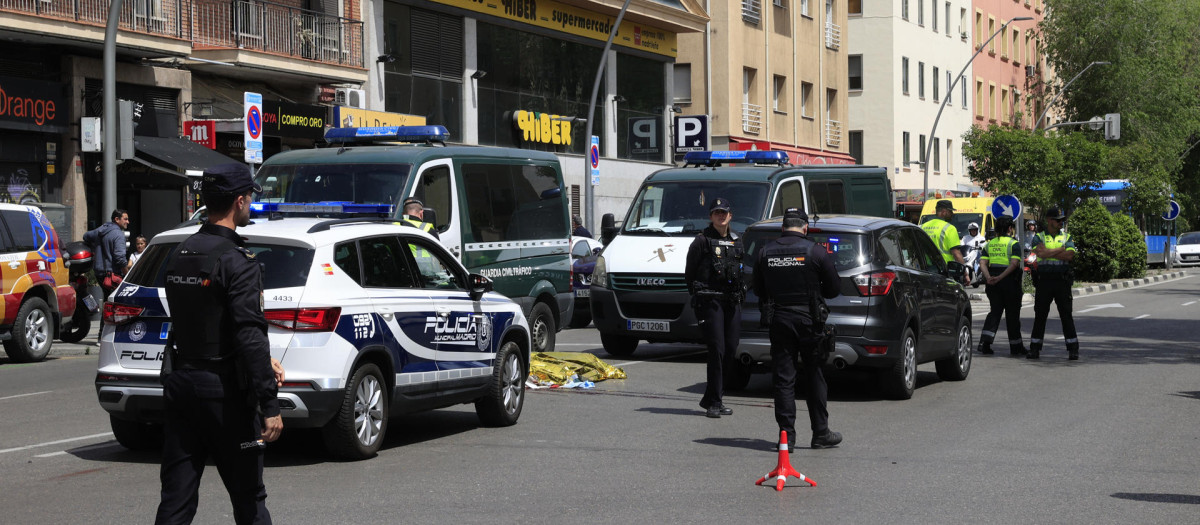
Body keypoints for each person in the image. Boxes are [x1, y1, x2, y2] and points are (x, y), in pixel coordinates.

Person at [156, 163, 285, 525]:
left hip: (182, 386)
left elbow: (200, 319)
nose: (249, 208)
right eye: (249, 201)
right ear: (240, 201)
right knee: (249, 500)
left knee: (176, 500)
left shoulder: (180, 251)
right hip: (225, 395)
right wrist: (269, 404)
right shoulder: (238, 261)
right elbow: (248, 334)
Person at [755, 208, 842, 451]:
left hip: (780, 319)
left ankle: (786, 438)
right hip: (810, 320)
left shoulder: (765, 252)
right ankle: (821, 433)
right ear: (805, 227)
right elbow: (834, 289)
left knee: (784, 379)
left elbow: (759, 289)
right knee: (814, 374)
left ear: (782, 227)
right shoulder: (815, 251)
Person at [684, 197, 744, 418]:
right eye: (717, 212)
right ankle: (714, 402)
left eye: (724, 212)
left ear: (730, 215)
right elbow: (689, 274)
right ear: (711, 216)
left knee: (730, 349)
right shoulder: (701, 241)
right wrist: (698, 295)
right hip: (710, 301)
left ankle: (712, 396)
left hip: (732, 301)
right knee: (716, 349)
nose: (721, 216)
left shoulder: (738, 239)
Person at [1028, 207, 1078, 360]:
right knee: (1040, 315)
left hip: (1062, 281)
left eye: (1062, 220)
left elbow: (1069, 255)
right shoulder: (1039, 237)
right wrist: (1059, 250)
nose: (1060, 223)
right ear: (1049, 220)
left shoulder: (1067, 236)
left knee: (1066, 315)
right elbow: (1040, 253)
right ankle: (1035, 349)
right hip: (1044, 281)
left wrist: (1051, 251)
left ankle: (1073, 349)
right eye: (1057, 220)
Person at [977, 219, 1028, 356]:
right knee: (1012, 315)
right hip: (1009, 281)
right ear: (1010, 229)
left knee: (994, 313)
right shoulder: (1014, 244)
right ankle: (1016, 347)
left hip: (992, 283)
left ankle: (984, 344)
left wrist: (988, 278)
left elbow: (982, 263)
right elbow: (1014, 264)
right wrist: (1000, 278)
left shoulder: (989, 244)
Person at [83, 208, 130, 298]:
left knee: (107, 298)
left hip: (99, 273)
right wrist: (127, 275)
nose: (128, 222)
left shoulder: (101, 230)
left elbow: (86, 236)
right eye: (125, 219)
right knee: (117, 301)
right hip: (112, 275)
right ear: (117, 219)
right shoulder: (119, 235)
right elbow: (120, 259)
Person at [921, 200, 965, 265]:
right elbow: (956, 254)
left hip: (925, 269)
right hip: (944, 269)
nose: (952, 214)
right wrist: (965, 272)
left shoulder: (922, 227)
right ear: (944, 212)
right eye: (950, 211)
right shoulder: (949, 228)